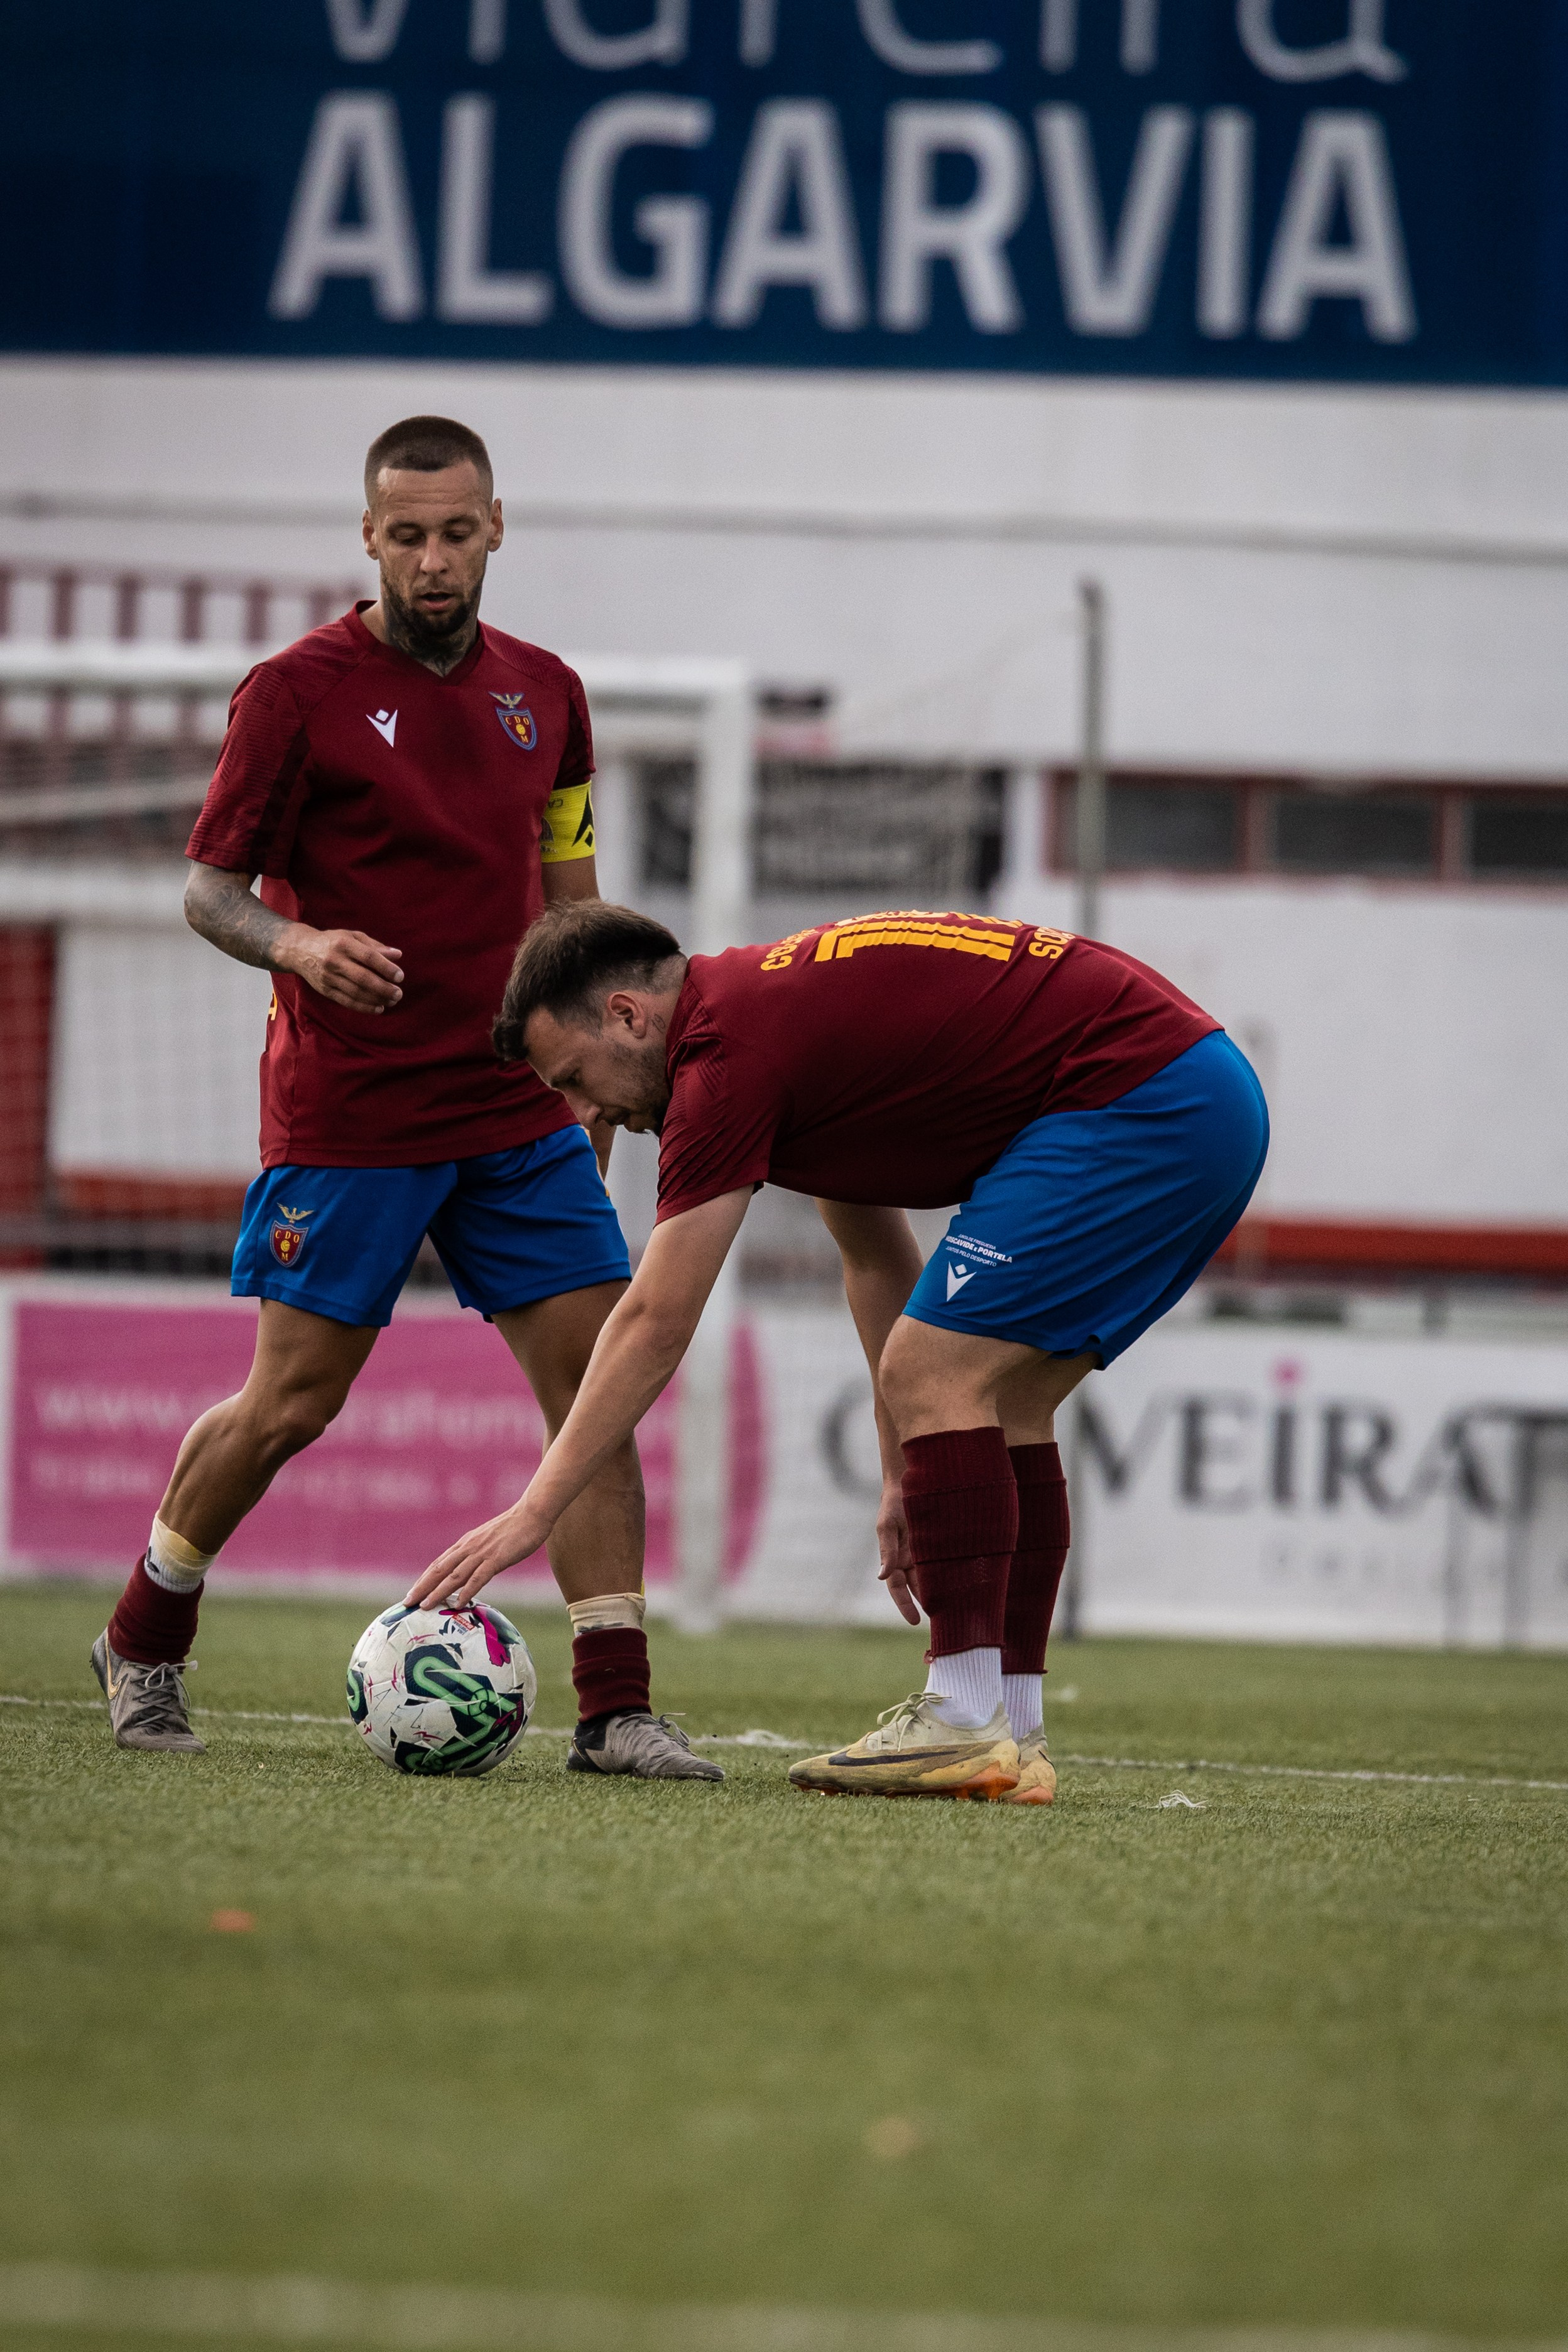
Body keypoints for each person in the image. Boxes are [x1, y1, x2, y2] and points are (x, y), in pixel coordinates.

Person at [91, 417, 720, 1786]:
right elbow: (210, 893)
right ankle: (144, 1634)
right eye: (406, 535)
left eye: (456, 531)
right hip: (353, 1112)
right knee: (292, 1405)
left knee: (595, 1394)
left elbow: (579, 911)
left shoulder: (547, 695)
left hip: (516, 1116)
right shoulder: (294, 692)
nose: (433, 560)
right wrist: (301, 947)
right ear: (368, 539)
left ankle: (615, 1710)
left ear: (499, 526)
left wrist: (599, 1089)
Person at [406, 900, 1269, 1803]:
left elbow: (656, 1316)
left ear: (628, 1015)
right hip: (1198, 1098)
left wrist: (534, 1511)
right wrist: (906, 1470)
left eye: (574, 1079)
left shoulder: (721, 1060)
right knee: (1003, 1402)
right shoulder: (768, 1019)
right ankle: (1012, 1729)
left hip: (1140, 1101)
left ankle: (963, 1716)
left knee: (937, 1369)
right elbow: (872, 1250)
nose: (587, 1116)